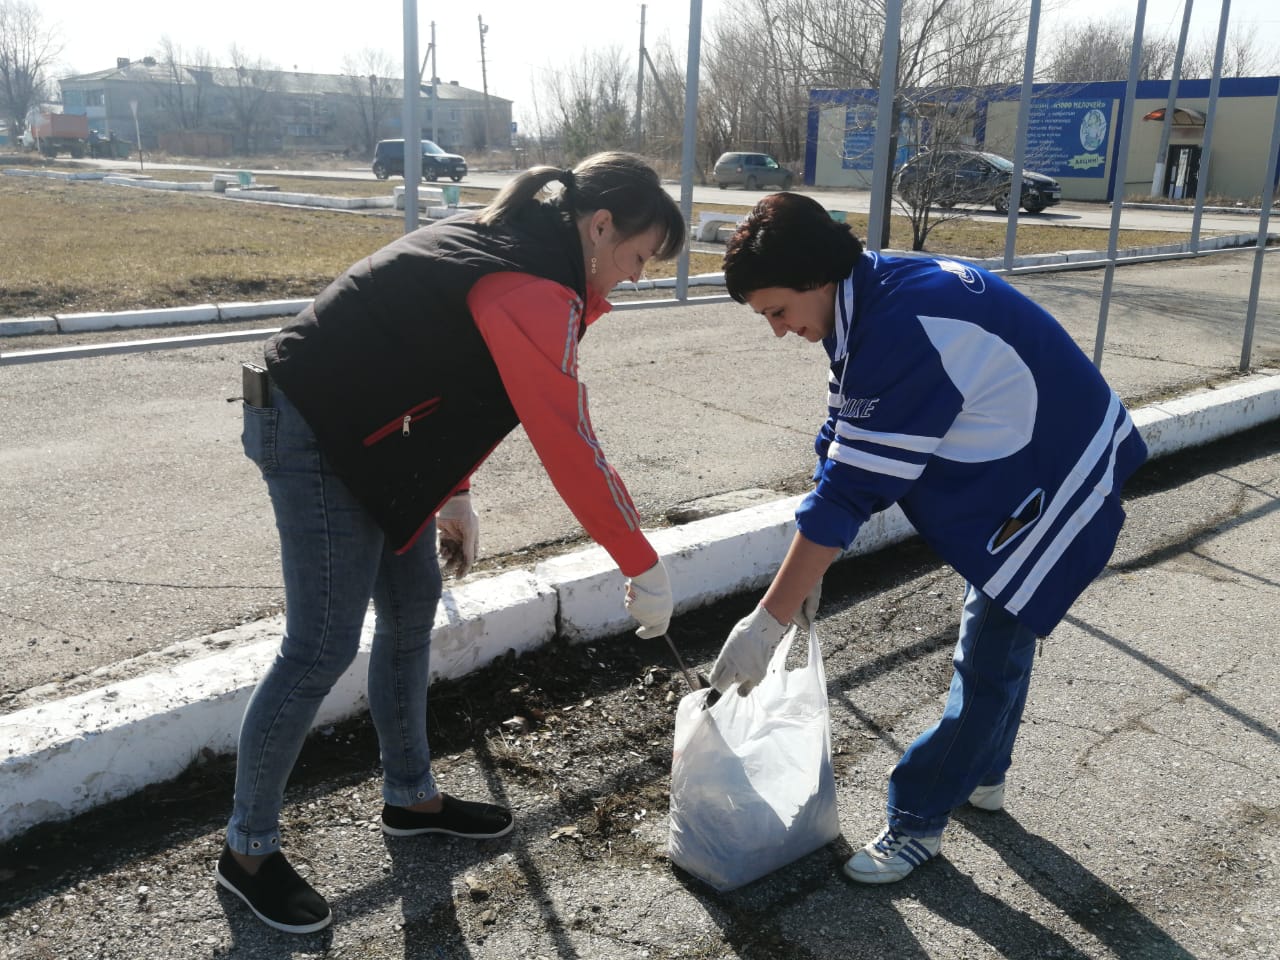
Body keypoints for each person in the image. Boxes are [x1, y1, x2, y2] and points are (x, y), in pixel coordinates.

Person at [218, 152, 686, 933]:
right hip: (312, 429)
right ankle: (248, 853)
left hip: (373, 436)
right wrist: (640, 560)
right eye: (639, 257)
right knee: (320, 646)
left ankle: (410, 798)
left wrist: (456, 492)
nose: (637, 277)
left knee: (410, 607)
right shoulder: (531, 279)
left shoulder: (524, 244)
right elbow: (568, 441)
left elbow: (458, 384)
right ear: (601, 227)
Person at [708, 192, 1148, 885]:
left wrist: (769, 620)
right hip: (1045, 448)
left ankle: (917, 821)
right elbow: (845, 436)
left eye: (776, 312)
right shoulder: (874, 290)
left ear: (815, 279)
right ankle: (985, 773)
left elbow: (850, 493)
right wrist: (809, 556)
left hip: (1062, 467)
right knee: (1002, 620)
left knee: (990, 646)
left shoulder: (898, 326)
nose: (777, 330)